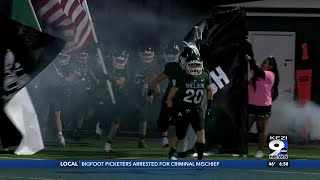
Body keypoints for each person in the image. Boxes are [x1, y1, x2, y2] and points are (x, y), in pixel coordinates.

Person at [166, 46, 213, 160]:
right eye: (192, 65)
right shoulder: (181, 76)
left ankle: (200, 159)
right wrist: (171, 112)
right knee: (180, 135)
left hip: (196, 109)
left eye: (197, 64)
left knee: (201, 132)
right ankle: (172, 153)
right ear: (186, 65)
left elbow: (209, 90)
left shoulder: (205, 75)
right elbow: (170, 97)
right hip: (182, 109)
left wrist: (210, 107)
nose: (195, 67)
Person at [146, 43, 182, 147]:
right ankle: (173, 141)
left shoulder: (171, 66)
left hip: (172, 96)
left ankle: (166, 139)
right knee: (177, 120)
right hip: (183, 97)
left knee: (165, 119)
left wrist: (149, 94)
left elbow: (154, 81)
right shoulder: (184, 64)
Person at [246, 54, 279, 158]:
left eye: (265, 63)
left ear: (270, 67)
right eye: (263, 62)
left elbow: (256, 68)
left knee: (261, 128)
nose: (262, 64)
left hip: (263, 105)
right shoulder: (256, 74)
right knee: (246, 127)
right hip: (251, 104)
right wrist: (249, 46)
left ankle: (260, 151)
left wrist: (250, 60)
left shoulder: (270, 74)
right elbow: (253, 67)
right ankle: (241, 149)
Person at [103, 49, 131, 152]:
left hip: (120, 98)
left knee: (116, 121)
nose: (120, 63)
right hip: (106, 98)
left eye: (121, 61)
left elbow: (119, 82)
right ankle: (100, 125)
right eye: (118, 61)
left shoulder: (125, 71)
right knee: (104, 120)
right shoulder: (107, 67)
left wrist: (110, 78)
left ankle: (108, 144)